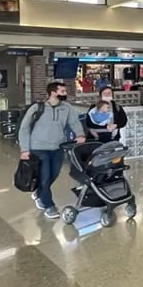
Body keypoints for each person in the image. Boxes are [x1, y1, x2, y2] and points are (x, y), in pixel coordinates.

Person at [18, 81, 86, 219]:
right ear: (53, 93)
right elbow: (24, 128)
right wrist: (25, 149)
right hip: (39, 148)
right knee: (45, 177)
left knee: (53, 175)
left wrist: (80, 134)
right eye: (62, 91)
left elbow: (74, 122)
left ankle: (39, 193)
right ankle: (48, 205)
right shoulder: (37, 108)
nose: (65, 94)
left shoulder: (67, 108)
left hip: (58, 147)